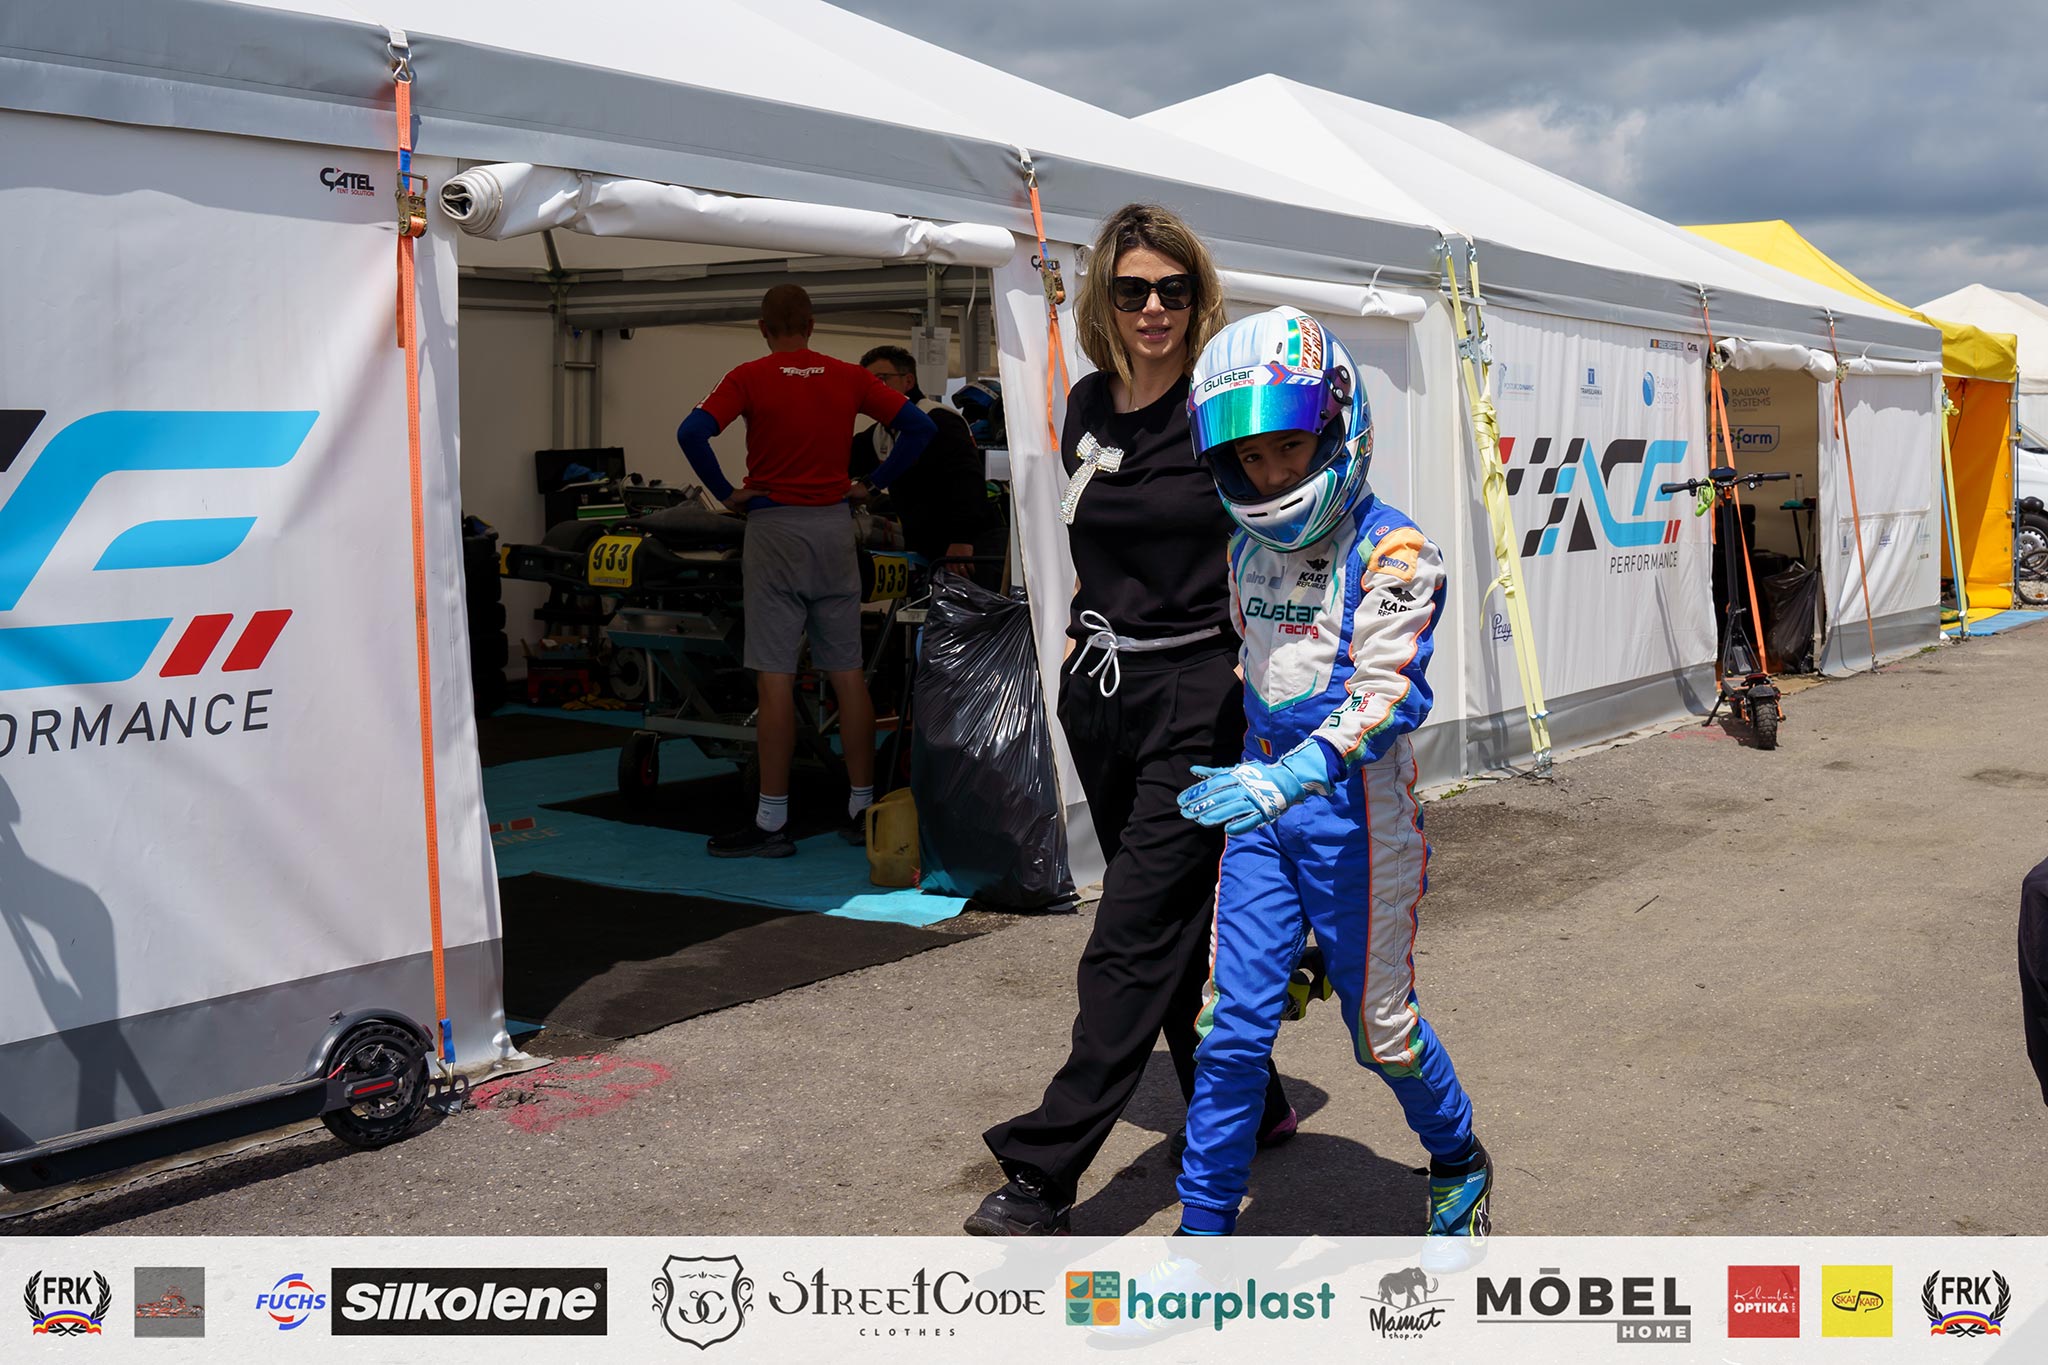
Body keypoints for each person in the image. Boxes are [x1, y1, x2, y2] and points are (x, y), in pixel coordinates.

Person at [966, 205, 1292, 1237]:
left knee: (1129, 931)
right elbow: (1089, 537)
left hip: (1200, 693)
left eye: (1173, 290)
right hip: (1103, 689)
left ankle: (1044, 1170)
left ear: (1199, 299)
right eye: (1133, 290)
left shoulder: (1222, 411)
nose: (1154, 308)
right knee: (1170, 924)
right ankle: (1251, 1099)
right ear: (1105, 298)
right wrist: (1076, 627)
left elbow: (1291, 530)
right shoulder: (1085, 406)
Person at [1171, 306, 1492, 1242]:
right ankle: (1201, 1233)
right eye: (1251, 456)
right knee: (1229, 1028)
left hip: (1360, 818)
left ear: (1336, 427)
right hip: (1262, 808)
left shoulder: (1396, 550)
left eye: (1291, 447)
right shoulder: (1243, 547)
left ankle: (1460, 1158)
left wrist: (1297, 772)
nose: (1272, 474)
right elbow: (1256, 665)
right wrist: (1262, 776)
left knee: (1380, 1029)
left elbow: (1390, 694)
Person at [677, 285, 936, 857]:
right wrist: (872, 484)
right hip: (834, 529)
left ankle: (772, 821)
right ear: (812, 325)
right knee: (847, 672)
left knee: (775, 677)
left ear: (762, 328)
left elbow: (691, 433)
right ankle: (863, 808)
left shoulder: (748, 376)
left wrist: (727, 493)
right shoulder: (849, 377)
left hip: (775, 530)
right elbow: (922, 429)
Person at [848, 345, 1004, 575]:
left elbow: (967, 480)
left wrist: (961, 539)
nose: (873, 389)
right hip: (924, 546)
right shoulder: (880, 432)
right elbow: (844, 459)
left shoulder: (938, 419)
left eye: (881, 379)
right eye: (867, 383)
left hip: (965, 547)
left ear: (908, 381)